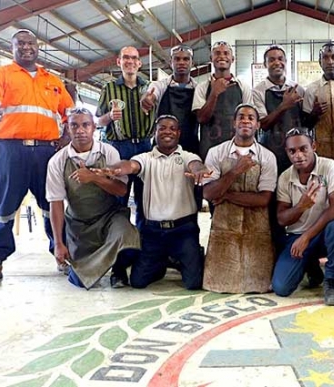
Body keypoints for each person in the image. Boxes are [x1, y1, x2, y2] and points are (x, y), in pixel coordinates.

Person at [0, 29, 74, 287]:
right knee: (3, 209)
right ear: (12, 47)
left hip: (45, 153)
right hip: (10, 151)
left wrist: (67, 138)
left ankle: (63, 254)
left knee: (52, 204)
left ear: (38, 47)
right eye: (21, 44)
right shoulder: (0, 75)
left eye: (31, 43)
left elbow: (70, 113)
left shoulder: (51, 80)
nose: (26, 47)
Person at [103, 115, 211, 289]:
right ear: (155, 132)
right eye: (162, 128)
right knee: (138, 282)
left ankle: (190, 254)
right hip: (153, 232)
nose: (167, 131)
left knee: (193, 283)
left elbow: (196, 165)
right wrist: (117, 168)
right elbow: (131, 165)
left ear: (179, 133)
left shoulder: (187, 156)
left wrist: (200, 170)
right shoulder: (146, 158)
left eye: (172, 128)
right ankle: (161, 262)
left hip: (183, 231)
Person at [46, 109, 140, 289]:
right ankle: (94, 265)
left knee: (128, 235)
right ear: (67, 128)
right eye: (74, 125)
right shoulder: (57, 161)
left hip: (109, 218)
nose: (80, 130)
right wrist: (58, 243)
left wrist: (95, 178)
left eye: (85, 125)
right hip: (79, 224)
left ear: (94, 128)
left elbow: (121, 190)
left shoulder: (109, 152)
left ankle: (118, 269)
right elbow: (56, 204)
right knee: (79, 281)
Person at [202, 104, 278, 293]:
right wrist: (235, 171)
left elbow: (263, 200)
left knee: (259, 283)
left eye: (251, 118)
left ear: (258, 125)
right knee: (219, 283)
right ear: (233, 123)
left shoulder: (267, 157)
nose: (246, 120)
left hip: (258, 229)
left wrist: (225, 194)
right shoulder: (216, 153)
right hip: (223, 228)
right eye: (241, 117)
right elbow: (208, 193)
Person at [271, 127, 334, 306]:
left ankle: (332, 281)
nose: (298, 155)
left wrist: (307, 237)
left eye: (303, 149)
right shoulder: (285, 177)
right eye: (292, 151)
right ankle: (310, 265)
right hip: (297, 237)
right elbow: (282, 219)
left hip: (323, 233)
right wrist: (301, 206)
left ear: (314, 146)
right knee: (281, 287)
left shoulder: (330, 167)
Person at [96, 46, 153, 224]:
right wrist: (109, 117)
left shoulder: (150, 88)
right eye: (126, 58)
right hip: (119, 148)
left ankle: (144, 241)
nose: (130, 61)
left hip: (145, 147)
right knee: (119, 196)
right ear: (119, 62)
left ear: (139, 63)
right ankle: (120, 241)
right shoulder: (109, 88)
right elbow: (98, 121)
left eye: (134, 58)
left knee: (146, 198)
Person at [193, 41, 252, 160]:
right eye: (217, 53)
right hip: (209, 149)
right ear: (211, 58)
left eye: (226, 53)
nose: (222, 56)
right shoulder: (202, 87)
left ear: (232, 58)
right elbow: (201, 119)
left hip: (237, 150)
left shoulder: (242, 86)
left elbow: (249, 119)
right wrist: (214, 93)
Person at [252, 44, 305, 173]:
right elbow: (263, 125)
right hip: (270, 151)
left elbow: (305, 121)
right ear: (265, 64)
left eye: (280, 59)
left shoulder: (298, 89)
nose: (277, 63)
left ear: (286, 62)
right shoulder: (258, 91)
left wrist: (315, 112)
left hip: (298, 152)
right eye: (271, 60)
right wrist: (284, 105)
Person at [141, 45, 199, 154]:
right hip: (162, 148)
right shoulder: (160, 85)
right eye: (177, 59)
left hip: (191, 148)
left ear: (192, 63)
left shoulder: (199, 89)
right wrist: (147, 99)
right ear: (170, 62)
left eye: (186, 59)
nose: (181, 62)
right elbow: (151, 94)